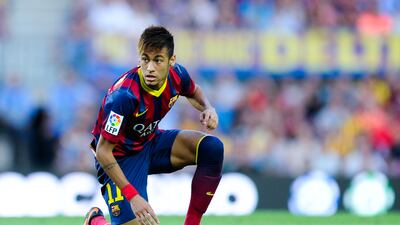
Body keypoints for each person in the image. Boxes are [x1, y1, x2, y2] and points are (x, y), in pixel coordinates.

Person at [83, 26, 224, 225]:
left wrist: (208, 108)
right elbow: (103, 151)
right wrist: (133, 197)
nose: (150, 67)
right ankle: (96, 221)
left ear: (171, 61)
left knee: (212, 148)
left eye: (157, 60)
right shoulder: (124, 97)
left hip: (150, 142)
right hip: (119, 158)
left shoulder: (178, 75)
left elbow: (194, 91)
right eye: (145, 59)